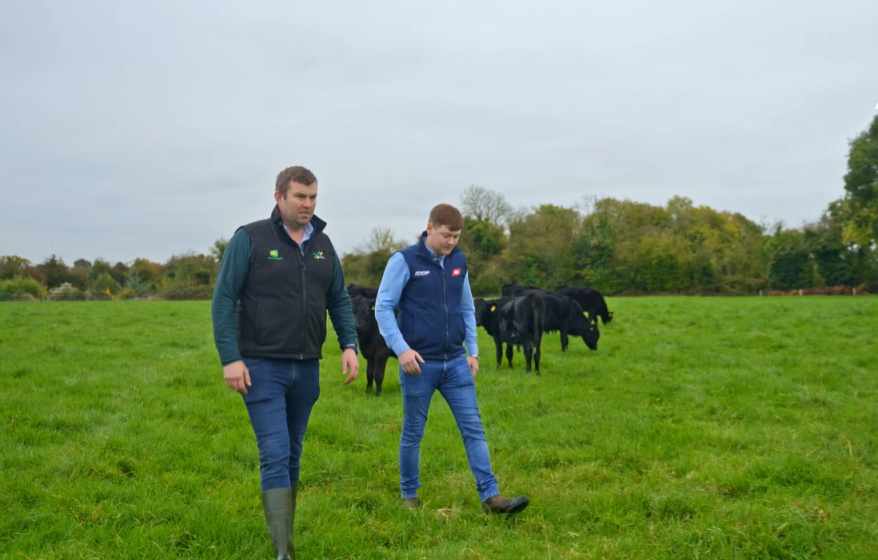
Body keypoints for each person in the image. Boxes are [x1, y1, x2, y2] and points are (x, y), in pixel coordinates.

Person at [211, 165, 359, 560]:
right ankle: (284, 552)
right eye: (300, 197)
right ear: (279, 197)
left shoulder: (323, 244)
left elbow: (338, 298)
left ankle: (284, 537)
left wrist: (349, 345)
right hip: (261, 365)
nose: (308, 204)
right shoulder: (250, 239)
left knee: (293, 452)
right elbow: (224, 299)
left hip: (307, 367)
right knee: (275, 452)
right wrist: (231, 358)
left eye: (313, 197)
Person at [374, 203, 530, 515]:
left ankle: (491, 496)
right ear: (430, 228)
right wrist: (402, 349)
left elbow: (467, 307)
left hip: (456, 362)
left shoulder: (458, 260)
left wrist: (472, 351)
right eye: (446, 235)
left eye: (456, 236)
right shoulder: (404, 261)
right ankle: (409, 496)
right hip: (419, 364)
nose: (451, 242)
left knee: (474, 429)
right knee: (413, 432)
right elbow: (383, 308)